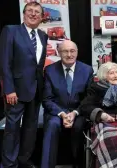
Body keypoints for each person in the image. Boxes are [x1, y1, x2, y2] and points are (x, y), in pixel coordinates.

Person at [0, 2, 48, 168]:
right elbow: (4, 63)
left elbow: (38, 65)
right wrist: (9, 89)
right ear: (24, 14)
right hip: (16, 92)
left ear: (41, 17)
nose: (33, 14)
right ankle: (9, 164)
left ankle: (23, 161)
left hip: (36, 91)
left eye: (37, 12)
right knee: (12, 130)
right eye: (30, 11)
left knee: (30, 129)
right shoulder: (11, 31)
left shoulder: (42, 35)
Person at [41, 40, 94, 168]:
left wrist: (75, 113)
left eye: (72, 51)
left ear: (77, 52)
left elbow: (89, 98)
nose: (69, 54)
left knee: (79, 126)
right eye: (65, 51)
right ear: (59, 53)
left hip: (79, 111)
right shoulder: (50, 71)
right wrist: (62, 114)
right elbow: (46, 99)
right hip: (57, 112)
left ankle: (78, 165)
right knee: (52, 125)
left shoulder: (87, 70)